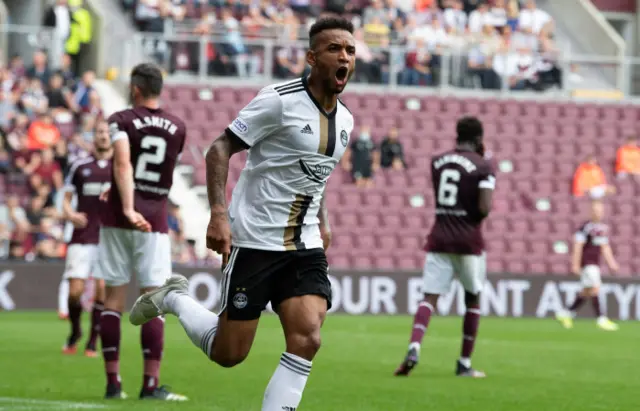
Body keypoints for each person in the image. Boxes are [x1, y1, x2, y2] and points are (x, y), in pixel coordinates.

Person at [129, 17, 356, 410]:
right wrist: (218, 214)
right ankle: (176, 298)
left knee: (308, 337)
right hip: (255, 240)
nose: (345, 57)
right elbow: (219, 149)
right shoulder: (280, 99)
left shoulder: (346, 121)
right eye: (335, 49)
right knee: (229, 353)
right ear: (311, 57)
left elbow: (313, 176)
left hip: (305, 245)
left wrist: (323, 219)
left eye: (350, 50)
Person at [98, 63, 188, 401]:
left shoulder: (120, 120)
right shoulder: (178, 127)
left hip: (119, 219)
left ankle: (113, 384)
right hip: (155, 221)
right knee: (153, 302)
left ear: (135, 88)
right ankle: (150, 386)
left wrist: (124, 204)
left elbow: (123, 163)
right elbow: (162, 170)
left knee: (113, 299)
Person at [394, 116, 495, 379]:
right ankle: (464, 363)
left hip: (439, 237)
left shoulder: (437, 162)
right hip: (468, 240)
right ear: (478, 139)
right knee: (472, 297)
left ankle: (414, 347)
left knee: (429, 297)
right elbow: (484, 209)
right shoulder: (483, 166)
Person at [61, 118, 112, 357]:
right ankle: (75, 331)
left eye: (106, 132)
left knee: (102, 289)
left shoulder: (119, 167)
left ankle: (93, 341)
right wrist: (70, 214)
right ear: (93, 136)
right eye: (99, 132)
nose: (102, 135)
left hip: (109, 238)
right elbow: (66, 198)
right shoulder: (80, 166)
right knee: (75, 292)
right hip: (82, 236)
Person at [555, 200, 619, 331]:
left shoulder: (602, 228)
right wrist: (575, 264)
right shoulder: (585, 228)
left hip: (595, 263)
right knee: (595, 288)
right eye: (596, 210)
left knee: (586, 292)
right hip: (588, 263)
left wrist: (611, 263)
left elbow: (604, 247)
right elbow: (578, 246)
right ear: (591, 212)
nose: (598, 213)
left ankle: (566, 313)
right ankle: (601, 319)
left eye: (600, 210)